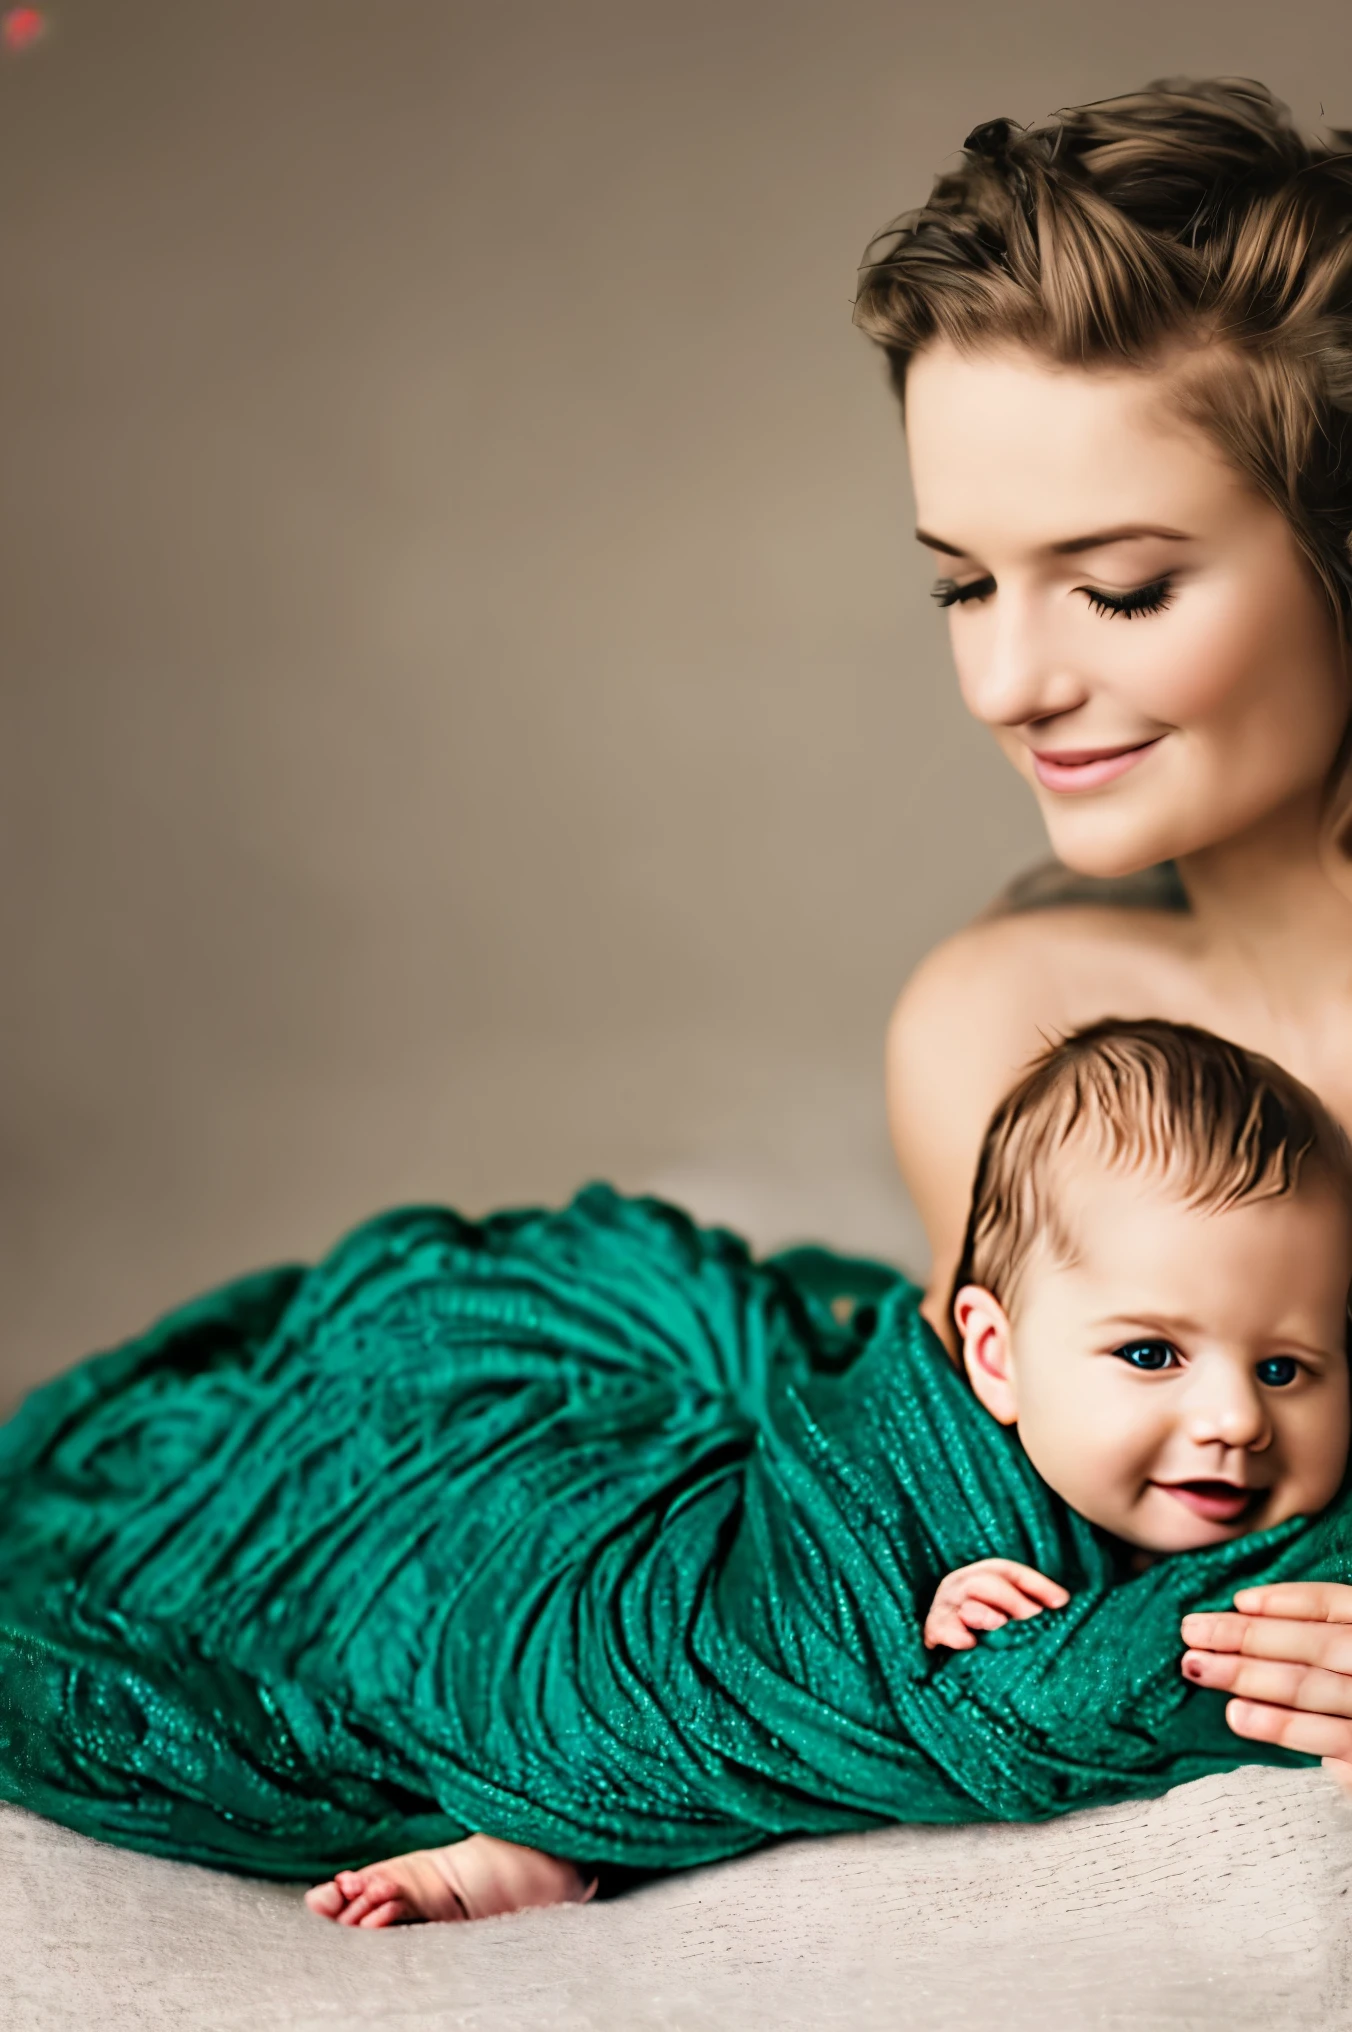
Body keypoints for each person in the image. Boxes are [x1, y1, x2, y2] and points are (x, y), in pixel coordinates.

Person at [7, 70, 1352, 1930]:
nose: (1013, 681)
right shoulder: (1005, 1023)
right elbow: (1015, 1512)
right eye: (965, 585)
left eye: (1116, 588)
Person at [307, 1016, 1352, 1924]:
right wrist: (937, 1600)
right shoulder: (927, 1470)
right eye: (1149, 1354)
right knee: (605, 1651)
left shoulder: (1294, 1535)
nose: (1231, 1418)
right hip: (722, 1579)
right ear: (993, 1358)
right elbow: (854, 1626)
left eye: (1282, 1365)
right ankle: (546, 1827)